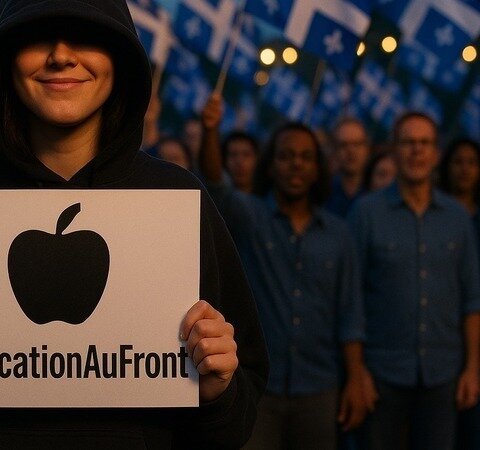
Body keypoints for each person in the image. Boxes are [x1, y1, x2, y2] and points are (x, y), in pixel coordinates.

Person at [0, 0, 268, 448]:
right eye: (37, 36)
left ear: (120, 57)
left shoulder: (180, 203)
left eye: (87, 35)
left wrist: (218, 392)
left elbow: (238, 417)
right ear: (5, 59)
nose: (61, 55)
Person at [200, 118, 372, 450]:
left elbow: (350, 315)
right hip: (259, 387)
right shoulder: (251, 218)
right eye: (286, 155)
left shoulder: (339, 234)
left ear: (317, 168)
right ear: (270, 164)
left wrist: (355, 379)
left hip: (320, 387)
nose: (296, 164)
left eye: (306, 157)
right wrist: (210, 130)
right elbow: (215, 184)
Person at [350, 112, 480, 450]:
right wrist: (357, 372)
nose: (416, 151)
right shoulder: (366, 213)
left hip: (443, 375)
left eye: (424, 143)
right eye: (408, 142)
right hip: (382, 374)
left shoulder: (457, 217)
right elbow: (351, 299)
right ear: (394, 150)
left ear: (436, 153)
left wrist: (473, 368)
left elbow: (472, 299)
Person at [438, 137, 480, 450]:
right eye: (458, 162)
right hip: (444, 335)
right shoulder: (438, 217)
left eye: (472, 163)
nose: (465, 170)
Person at [325, 118, 372, 218]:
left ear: (367, 149)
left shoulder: (376, 190)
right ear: (334, 150)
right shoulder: (323, 193)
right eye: (343, 145)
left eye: (357, 144)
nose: (351, 151)